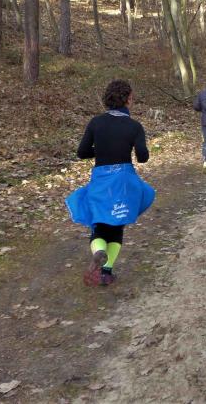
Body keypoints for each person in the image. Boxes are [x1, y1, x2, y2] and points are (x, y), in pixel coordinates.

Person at [66, 80, 155, 286]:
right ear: (128, 99)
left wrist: (102, 150)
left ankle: (98, 250)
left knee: (99, 222)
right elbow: (142, 157)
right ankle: (106, 273)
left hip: (101, 179)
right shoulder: (134, 126)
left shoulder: (95, 122)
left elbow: (82, 152)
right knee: (117, 226)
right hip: (123, 180)